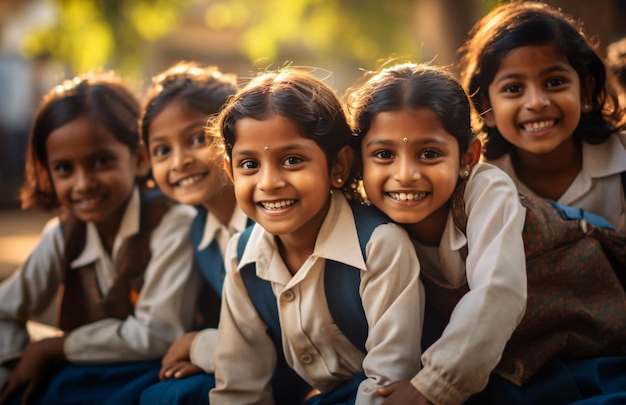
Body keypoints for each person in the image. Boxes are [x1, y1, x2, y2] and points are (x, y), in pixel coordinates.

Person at [349, 62, 626, 405]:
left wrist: (429, 388)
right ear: (358, 164)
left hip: (582, 342)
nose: (405, 174)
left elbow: (498, 292)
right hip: (502, 359)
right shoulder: (366, 223)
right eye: (384, 154)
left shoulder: (485, 190)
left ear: (468, 157)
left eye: (430, 154)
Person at [207, 67, 423, 405]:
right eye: (249, 164)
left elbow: (390, 383)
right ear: (230, 170)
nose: (268, 183)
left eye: (292, 160)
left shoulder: (379, 245)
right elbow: (239, 384)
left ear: (337, 167)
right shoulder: (242, 254)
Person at [0, 71, 197, 405]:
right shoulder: (64, 233)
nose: (83, 183)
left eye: (101, 162)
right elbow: (5, 309)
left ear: (138, 159)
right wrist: (16, 361)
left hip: (153, 372)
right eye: (65, 169)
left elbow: (158, 333)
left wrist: (53, 347)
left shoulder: (173, 223)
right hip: (82, 375)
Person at [456, 0, 626, 230]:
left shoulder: (622, 159)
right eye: (513, 88)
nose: (536, 103)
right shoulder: (479, 187)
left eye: (555, 82)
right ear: (487, 107)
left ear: (585, 92)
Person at [138, 61, 247, 405]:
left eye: (198, 139)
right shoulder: (200, 231)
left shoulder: (268, 220)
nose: (179, 161)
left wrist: (197, 345)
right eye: (162, 150)